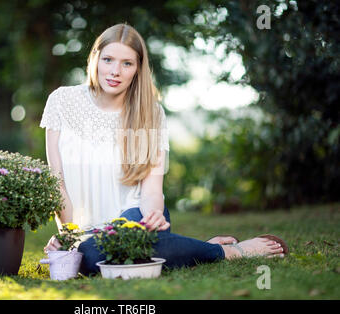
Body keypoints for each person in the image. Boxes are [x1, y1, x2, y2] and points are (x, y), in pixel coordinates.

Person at [40, 23, 288, 276]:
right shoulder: (62, 101)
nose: (115, 71)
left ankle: (231, 252)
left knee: (102, 252)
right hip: (88, 233)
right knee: (91, 256)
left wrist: (154, 215)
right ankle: (198, 248)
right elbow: (57, 182)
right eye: (108, 59)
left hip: (137, 216)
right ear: (94, 59)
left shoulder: (150, 113)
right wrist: (69, 236)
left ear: (138, 69)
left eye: (127, 63)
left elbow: (150, 191)